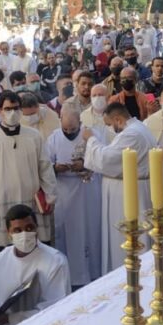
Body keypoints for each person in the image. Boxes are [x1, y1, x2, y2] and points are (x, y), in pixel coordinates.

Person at [0, 91, 57, 264]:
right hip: (0, 205)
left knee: (36, 250)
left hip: (31, 201)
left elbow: (45, 167)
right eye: (7, 109)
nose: (12, 113)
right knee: (2, 255)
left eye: (15, 108)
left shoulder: (34, 136)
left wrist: (50, 196)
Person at [84, 102, 157, 273]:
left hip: (128, 192)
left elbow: (106, 159)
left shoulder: (131, 134)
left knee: (126, 237)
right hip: (132, 188)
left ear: (118, 119)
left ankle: (130, 273)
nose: (109, 128)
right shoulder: (139, 127)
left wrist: (91, 139)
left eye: (109, 124)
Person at [46, 106, 101, 286]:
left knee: (90, 230)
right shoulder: (53, 138)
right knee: (67, 233)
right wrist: (56, 168)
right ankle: (71, 276)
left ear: (80, 123)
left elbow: (102, 159)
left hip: (87, 192)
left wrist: (85, 164)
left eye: (73, 129)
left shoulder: (91, 135)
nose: (69, 133)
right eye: (66, 129)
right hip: (65, 193)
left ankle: (92, 272)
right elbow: (46, 165)